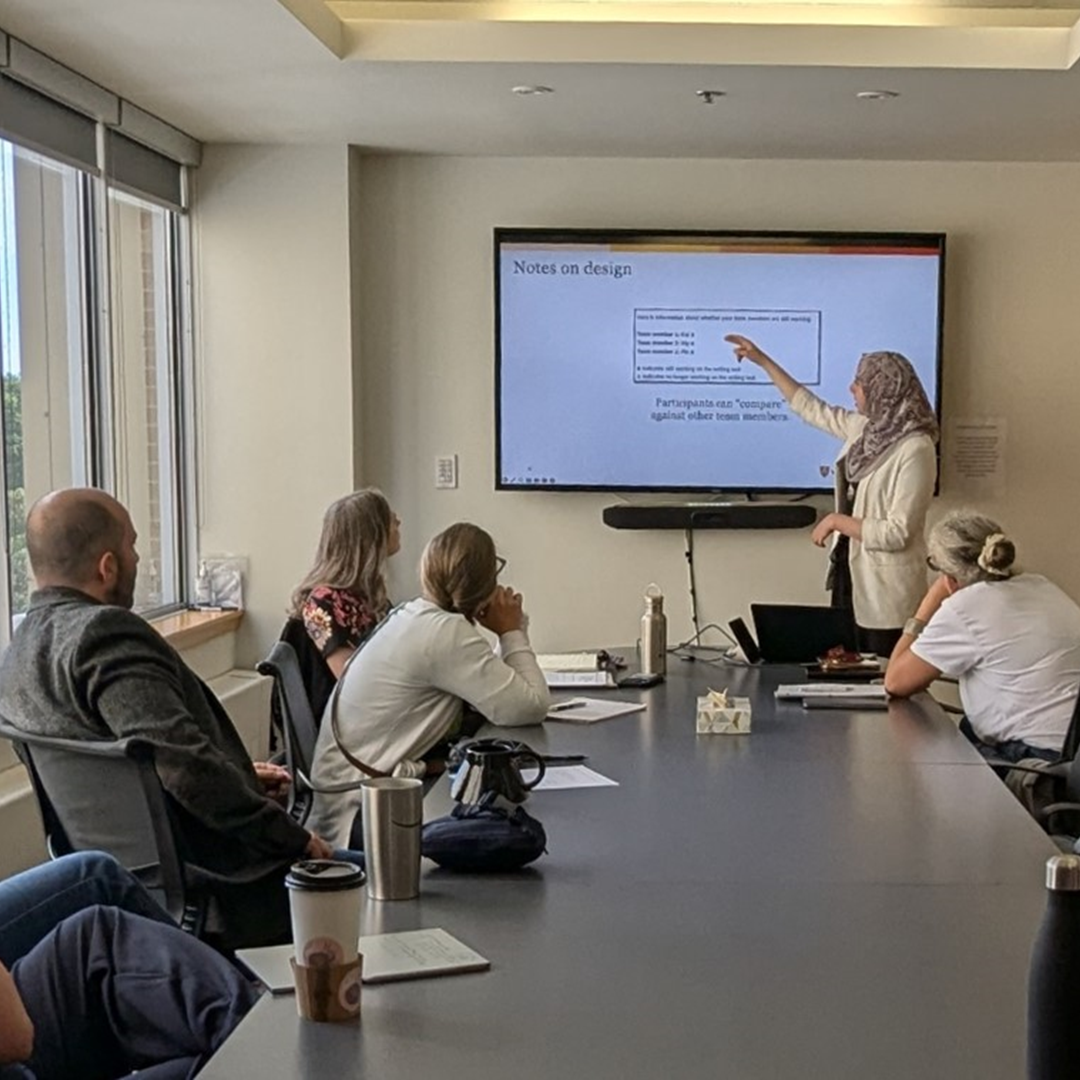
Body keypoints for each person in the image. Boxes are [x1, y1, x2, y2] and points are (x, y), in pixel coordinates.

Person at [0, 488, 351, 949]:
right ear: (107, 567)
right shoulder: (104, 634)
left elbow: (134, 769)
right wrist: (291, 837)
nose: (138, 557)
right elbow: (186, 770)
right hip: (219, 888)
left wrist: (241, 776)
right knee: (400, 883)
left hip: (133, 886)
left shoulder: (17, 655)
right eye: (132, 545)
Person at [307, 522, 550, 847]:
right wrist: (510, 631)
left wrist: (511, 630)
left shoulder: (417, 615)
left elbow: (494, 689)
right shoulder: (445, 633)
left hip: (347, 793)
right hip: (357, 813)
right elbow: (529, 706)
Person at [724, 334, 939, 656]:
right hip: (849, 576)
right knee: (845, 673)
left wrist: (837, 521)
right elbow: (811, 408)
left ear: (883, 390)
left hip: (889, 597)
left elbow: (899, 532)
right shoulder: (866, 429)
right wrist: (763, 361)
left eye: (859, 382)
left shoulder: (916, 448)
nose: (852, 389)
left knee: (882, 685)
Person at [884, 511, 1080, 761]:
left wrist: (930, 603)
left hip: (1036, 761)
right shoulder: (1041, 585)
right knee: (962, 731)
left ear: (949, 577)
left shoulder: (967, 606)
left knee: (926, 763)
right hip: (1071, 752)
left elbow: (895, 683)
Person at [282, 489, 401, 723]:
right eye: (389, 517)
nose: (397, 520)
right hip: (345, 728)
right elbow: (354, 684)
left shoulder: (368, 597)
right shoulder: (324, 603)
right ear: (369, 535)